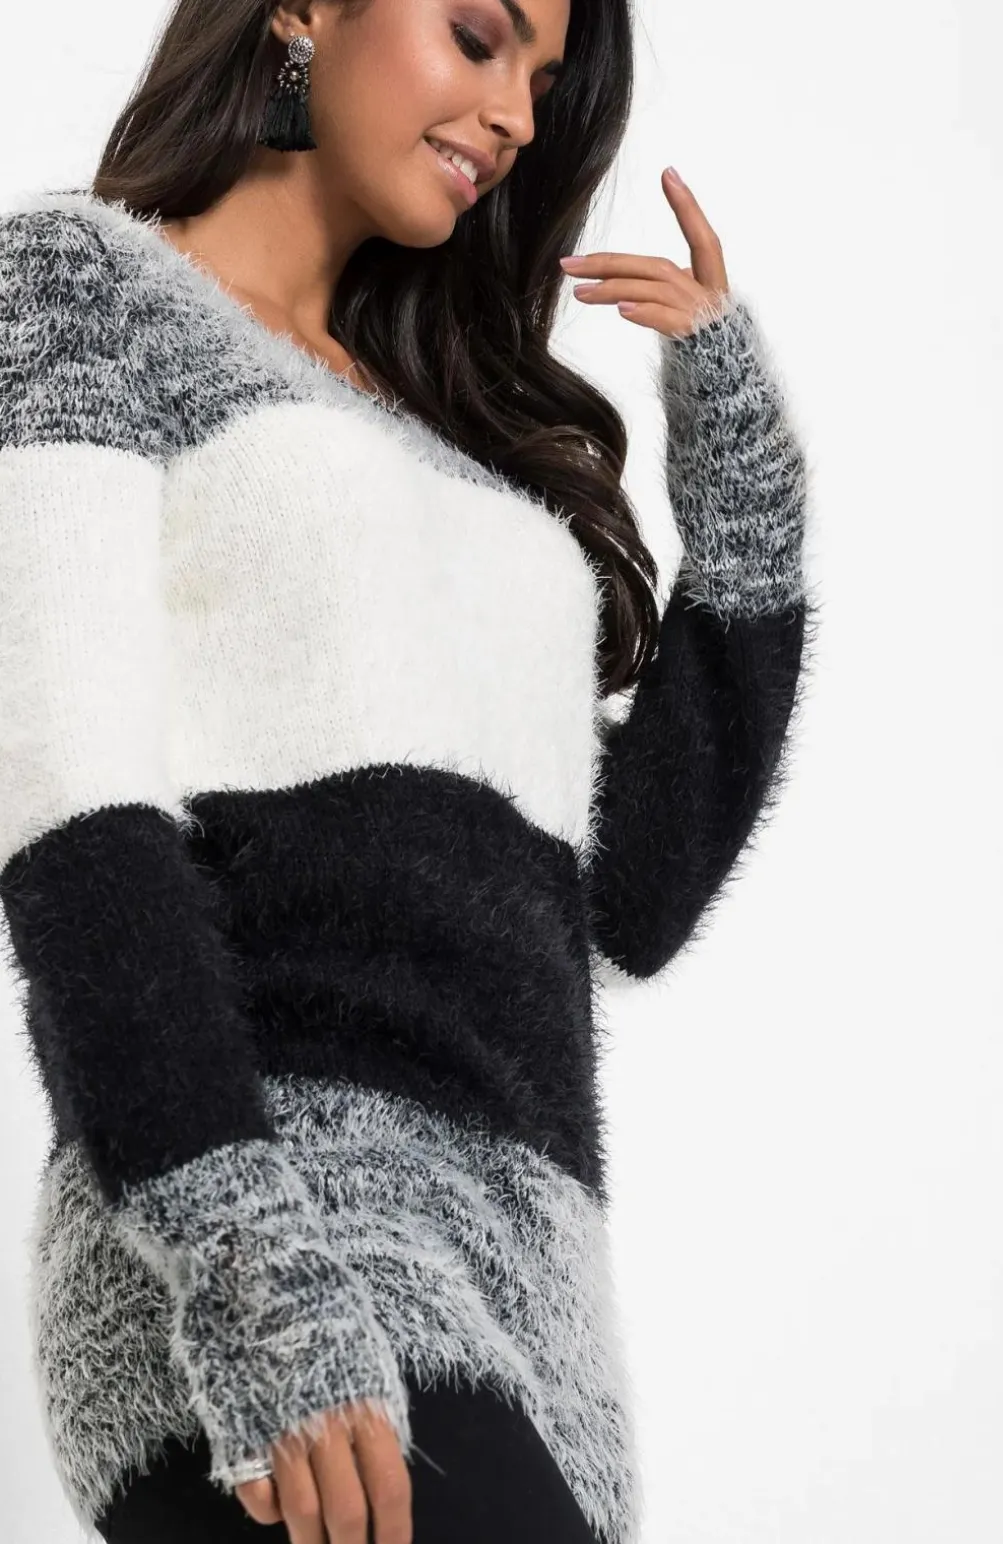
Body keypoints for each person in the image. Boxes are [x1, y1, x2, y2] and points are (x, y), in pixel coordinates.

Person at [0, 1, 818, 1540]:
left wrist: (743, 501)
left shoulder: (451, 442)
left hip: (533, 1282)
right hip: (259, 1224)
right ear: (304, 12)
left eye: (543, 82)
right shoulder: (79, 285)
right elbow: (68, 805)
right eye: (477, 36)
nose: (514, 115)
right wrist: (253, 1272)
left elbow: (634, 893)